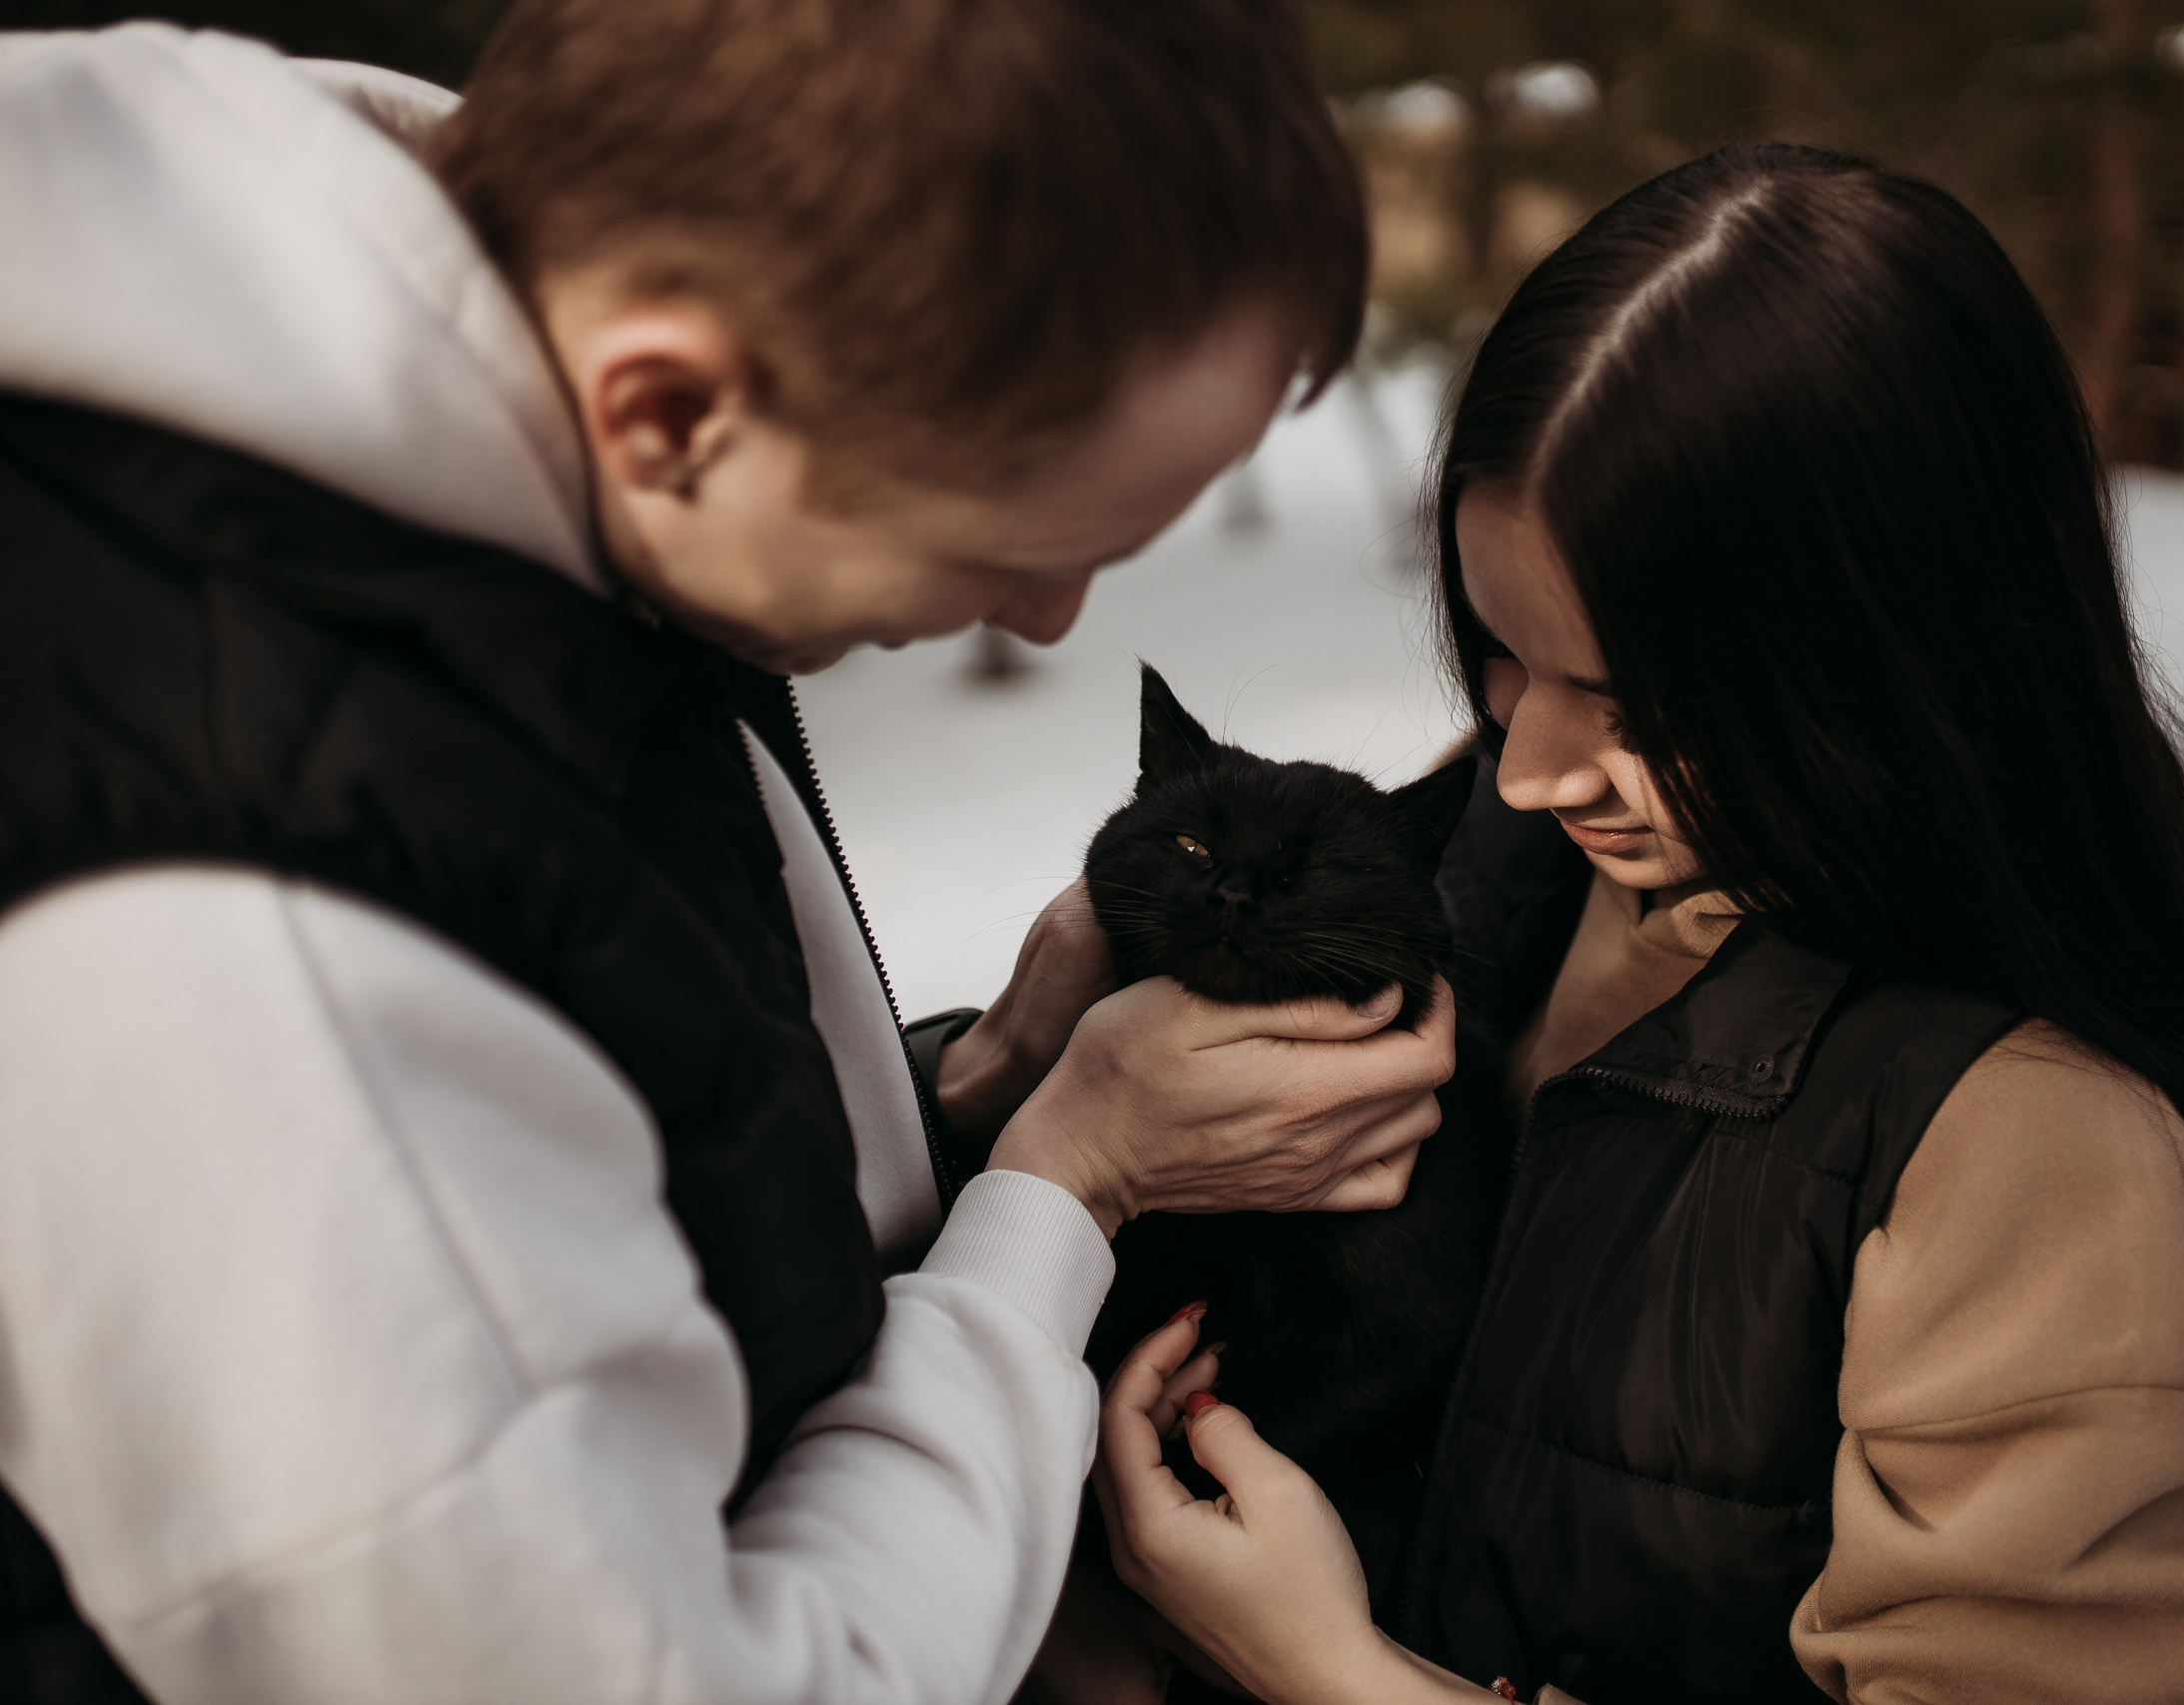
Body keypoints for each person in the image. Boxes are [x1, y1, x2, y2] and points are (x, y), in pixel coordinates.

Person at [0, 6, 1454, 1703]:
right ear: (674, 410)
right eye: (1013, 545)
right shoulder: (251, 942)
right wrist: (1064, 1194)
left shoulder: (522, 489)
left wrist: (976, 1091)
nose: (1048, 620)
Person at [1076, 145, 2184, 1705]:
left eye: (1638, 704)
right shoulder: (1536, 852)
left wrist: (1330, 1674)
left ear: (1907, 662)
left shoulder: (2038, 1150)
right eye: (1500, 654)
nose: (1534, 767)